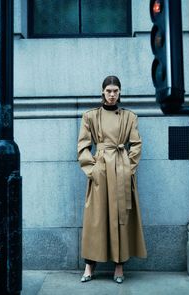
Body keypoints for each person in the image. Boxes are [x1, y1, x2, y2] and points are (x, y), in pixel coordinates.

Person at [77, 75, 147, 284]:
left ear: (120, 92)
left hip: (121, 171)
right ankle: (90, 265)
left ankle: (119, 266)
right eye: (108, 91)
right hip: (100, 170)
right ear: (102, 92)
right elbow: (82, 146)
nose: (112, 94)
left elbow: (136, 144)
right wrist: (93, 169)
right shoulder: (90, 116)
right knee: (95, 219)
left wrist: (128, 169)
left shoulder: (129, 117)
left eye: (115, 91)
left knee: (121, 218)